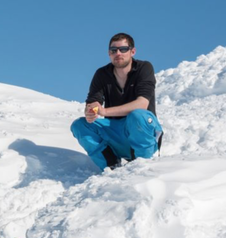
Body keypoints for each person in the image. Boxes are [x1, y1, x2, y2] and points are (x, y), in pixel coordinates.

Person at [70, 32, 164, 171]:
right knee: (79, 125)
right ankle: (111, 166)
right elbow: (92, 102)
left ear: (132, 51)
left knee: (138, 116)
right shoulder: (102, 74)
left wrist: (105, 111)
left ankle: (144, 165)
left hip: (143, 131)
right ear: (109, 53)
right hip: (116, 132)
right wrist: (91, 110)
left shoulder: (144, 68)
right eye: (113, 50)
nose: (118, 53)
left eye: (123, 49)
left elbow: (142, 104)